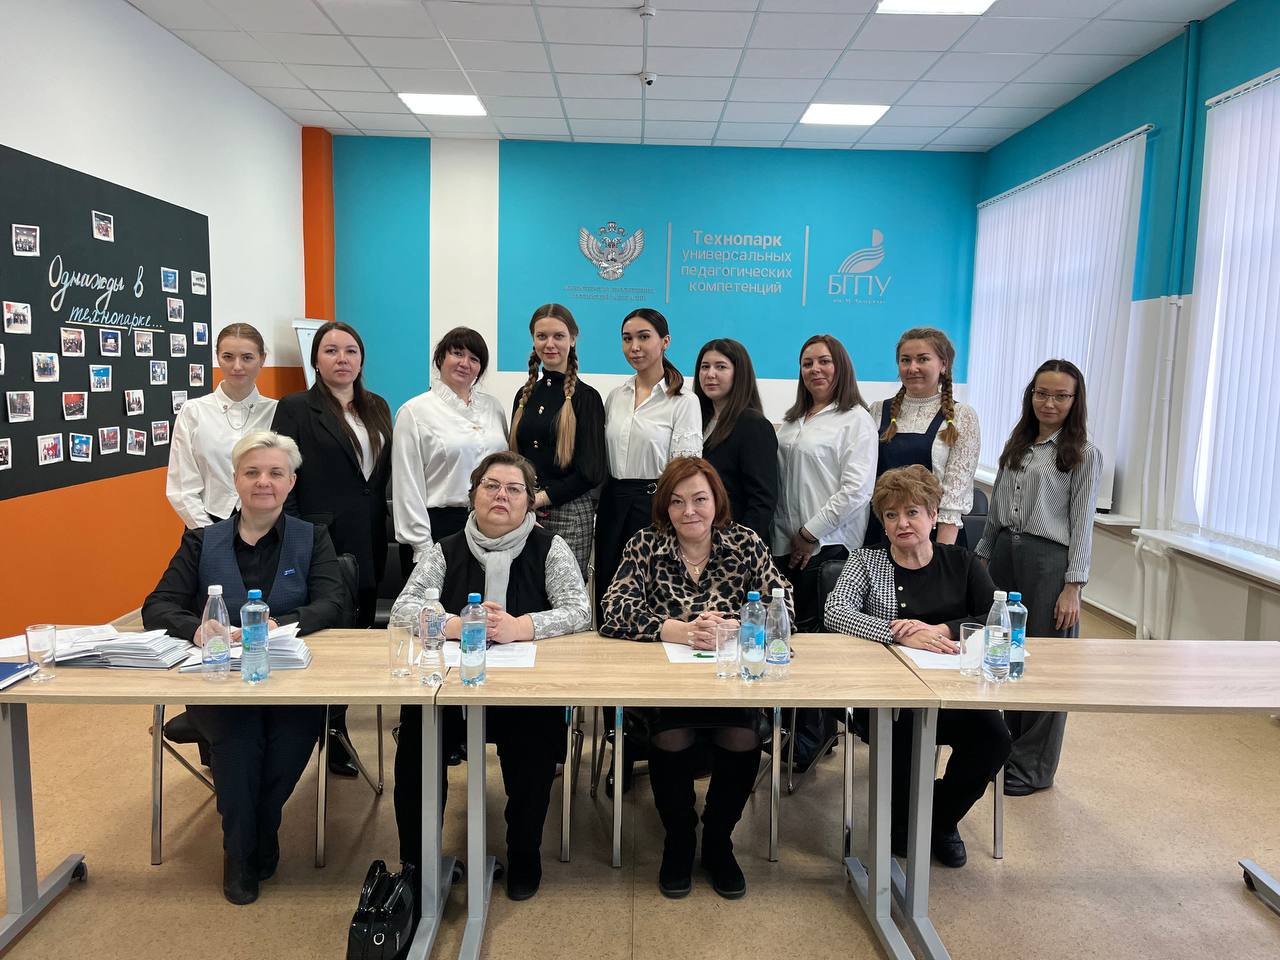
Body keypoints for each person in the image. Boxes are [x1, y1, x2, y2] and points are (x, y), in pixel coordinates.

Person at [142, 431, 345, 904]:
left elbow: (333, 602)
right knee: (238, 739)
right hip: (220, 682)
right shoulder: (200, 541)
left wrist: (281, 623)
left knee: (288, 739)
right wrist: (198, 629)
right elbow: (158, 605)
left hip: (292, 681)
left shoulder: (312, 538)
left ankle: (258, 831)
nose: (263, 482)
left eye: (275, 473)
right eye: (252, 472)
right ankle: (241, 852)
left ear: (291, 482)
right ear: (235, 479)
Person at [391, 452, 590, 902]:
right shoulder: (445, 549)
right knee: (418, 737)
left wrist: (522, 627)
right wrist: (452, 625)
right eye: (491, 486)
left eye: (514, 489)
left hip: (524, 689)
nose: (502, 496)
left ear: (529, 502)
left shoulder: (550, 547)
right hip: (451, 688)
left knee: (535, 745)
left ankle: (525, 853)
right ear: (473, 496)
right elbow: (403, 609)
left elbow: (579, 611)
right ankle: (416, 863)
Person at [600, 457, 792, 900]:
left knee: (742, 734)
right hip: (667, 685)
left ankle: (719, 840)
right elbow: (614, 609)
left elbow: (784, 606)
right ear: (665, 507)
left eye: (700, 499)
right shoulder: (645, 544)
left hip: (733, 683)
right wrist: (681, 631)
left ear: (716, 502)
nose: (689, 511)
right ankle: (680, 839)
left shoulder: (745, 543)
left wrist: (740, 626)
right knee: (672, 733)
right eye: (677, 501)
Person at [824, 465, 1011, 868]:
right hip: (889, 697)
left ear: (933, 514)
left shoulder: (961, 562)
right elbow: (835, 611)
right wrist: (898, 633)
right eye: (891, 515)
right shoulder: (866, 561)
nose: (902, 523)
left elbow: (997, 617)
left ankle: (942, 819)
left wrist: (943, 629)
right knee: (900, 838)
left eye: (912, 512)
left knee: (994, 738)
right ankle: (909, 821)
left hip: (954, 693)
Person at [975, 359, 1102, 796]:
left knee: (1048, 664)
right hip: (1006, 554)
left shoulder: (1083, 453)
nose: (1050, 403)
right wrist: (981, 559)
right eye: (1042, 393)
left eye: (1061, 396)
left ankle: (1035, 767)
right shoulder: (1019, 444)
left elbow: (1083, 524)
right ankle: (1007, 751)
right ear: (1031, 395)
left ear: (1075, 400)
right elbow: (996, 509)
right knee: (1007, 654)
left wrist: (1073, 587)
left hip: (1050, 561)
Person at [272, 320, 392, 776]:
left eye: (350, 351)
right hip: (319, 537)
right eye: (331, 350)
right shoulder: (296, 407)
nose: (342, 359)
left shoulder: (377, 406)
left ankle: (337, 727)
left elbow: (377, 478)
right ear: (316, 360)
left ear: (362, 359)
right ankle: (311, 730)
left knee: (357, 631)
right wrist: (295, 536)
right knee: (324, 631)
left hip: (369, 534)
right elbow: (284, 473)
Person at [772, 334, 877, 769]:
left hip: (829, 548)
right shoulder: (792, 419)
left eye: (824, 361)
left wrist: (810, 533)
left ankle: (811, 738)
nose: (815, 369)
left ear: (841, 366)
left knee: (815, 646)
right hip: (785, 546)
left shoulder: (856, 420)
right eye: (807, 363)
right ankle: (797, 729)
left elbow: (856, 491)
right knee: (789, 640)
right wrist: (788, 538)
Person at [596, 307, 701, 621]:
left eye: (644, 337)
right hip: (613, 502)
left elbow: (686, 469)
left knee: (651, 594)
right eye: (627, 339)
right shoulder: (616, 396)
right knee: (608, 589)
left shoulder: (683, 400)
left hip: (655, 505)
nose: (635, 347)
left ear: (665, 341)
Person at [393, 327, 508, 563]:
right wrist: (422, 545)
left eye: (474, 359)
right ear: (440, 358)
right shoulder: (414, 411)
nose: (465, 363)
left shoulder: (493, 407)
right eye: (457, 353)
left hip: (492, 527)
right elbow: (407, 484)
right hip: (439, 528)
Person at [508, 304, 606, 579]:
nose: (549, 344)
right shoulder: (524, 395)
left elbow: (591, 472)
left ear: (572, 339)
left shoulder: (586, 398)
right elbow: (516, 459)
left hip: (569, 514)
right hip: (525, 513)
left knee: (564, 594)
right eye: (542, 336)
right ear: (533, 340)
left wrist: (539, 499)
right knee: (524, 588)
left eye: (558, 336)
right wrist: (525, 501)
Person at [866, 327, 980, 547]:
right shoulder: (877, 411)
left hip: (936, 539)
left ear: (943, 364)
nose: (913, 368)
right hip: (881, 533)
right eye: (905, 360)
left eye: (923, 359)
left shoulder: (962, 416)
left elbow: (953, 498)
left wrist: (941, 556)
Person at [167, 323, 278, 528]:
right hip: (205, 524)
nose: (237, 366)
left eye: (247, 357)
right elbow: (182, 488)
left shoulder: (277, 411)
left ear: (262, 359)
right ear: (217, 357)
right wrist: (209, 533)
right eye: (228, 357)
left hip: (267, 525)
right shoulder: (193, 411)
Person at [694, 338, 778, 544]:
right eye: (705, 367)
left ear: (739, 373)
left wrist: (739, 546)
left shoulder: (753, 425)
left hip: (735, 545)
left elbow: (762, 501)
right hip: (699, 540)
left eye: (721, 367)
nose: (710, 374)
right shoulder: (695, 421)